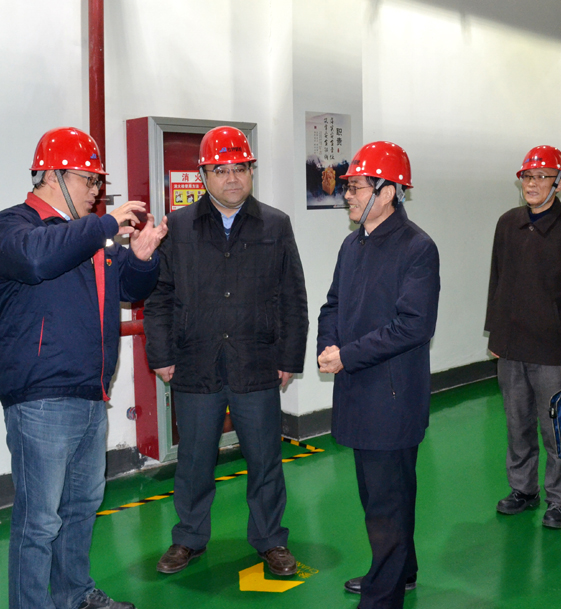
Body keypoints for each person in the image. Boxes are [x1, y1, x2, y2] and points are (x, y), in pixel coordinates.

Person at [0, 127, 167, 609]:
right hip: (40, 398)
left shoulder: (92, 236)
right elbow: (36, 260)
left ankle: (74, 594)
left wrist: (142, 258)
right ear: (51, 175)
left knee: (82, 506)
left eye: (98, 181)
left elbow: (130, 289)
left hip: (91, 394)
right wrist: (104, 226)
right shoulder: (12, 226)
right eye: (89, 180)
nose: (96, 190)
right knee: (39, 520)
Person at [143, 126, 308, 577]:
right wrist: (161, 355)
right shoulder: (178, 226)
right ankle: (189, 537)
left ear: (251, 171)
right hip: (195, 363)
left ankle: (271, 539)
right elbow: (159, 296)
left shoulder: (275, 224)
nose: (232, 178)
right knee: (194, 461)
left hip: (258, 362)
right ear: (203, 175)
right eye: (221, 170)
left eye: (240, 168)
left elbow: (292, 295)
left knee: (265, 459)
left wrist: (289, 358)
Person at [317, 141, 440, 609]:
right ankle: (400, 571)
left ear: (387, 192)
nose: (347, 195)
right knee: (379, 496)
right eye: (348, 187)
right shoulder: (353, 245)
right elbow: (333, 304)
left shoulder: (417, 248)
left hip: (392, 398)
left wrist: (347, 356)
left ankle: (383, 597)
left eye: (356, 187)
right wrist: (328, 345)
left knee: (387, 502)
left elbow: (413, 326)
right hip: (358, 391)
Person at [485, 146, 561, 529]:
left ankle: (559, 500)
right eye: (527, 177)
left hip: (554, 352)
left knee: (557, 430)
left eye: (542, 177)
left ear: (560, 183)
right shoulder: (507, 224)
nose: (532, 185)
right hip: (512, 348)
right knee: (517, 425)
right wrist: (495, 334)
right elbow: (497, 281)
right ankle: (523, 490)